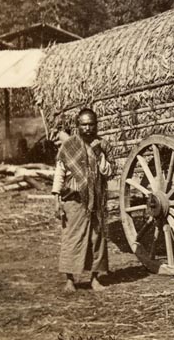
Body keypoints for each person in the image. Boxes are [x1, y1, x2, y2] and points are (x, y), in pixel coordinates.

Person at [52, 108, 114, 292]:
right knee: (72, 238)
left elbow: (109, 172)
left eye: (91, 124)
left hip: (96, 200)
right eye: (84, 124)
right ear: (77, 126)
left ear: (96, 125)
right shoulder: (68, 146)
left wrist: (100, 158)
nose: (88, 128)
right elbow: (59, 173)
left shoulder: (102, 145)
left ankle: (95, 279)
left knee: (97, 239)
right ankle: (70, 280)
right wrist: (56, 199)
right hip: (74, 200)